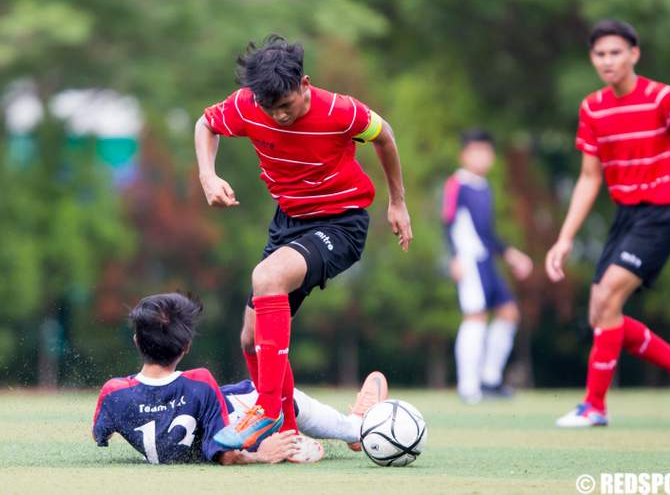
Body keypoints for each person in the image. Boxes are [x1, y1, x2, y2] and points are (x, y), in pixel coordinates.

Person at [195, 35, 411, 450]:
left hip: (342, 223)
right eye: (268, 107)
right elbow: (206, 124)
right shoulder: (245, 105)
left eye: (286, 106)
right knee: (250, 337)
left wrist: (397, 203)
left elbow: (385, 135)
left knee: (268, 276)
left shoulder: (340, 110)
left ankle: (270, 408)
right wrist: (208, 175)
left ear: (305, 84)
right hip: (288, 224)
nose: (277, 116)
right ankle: (293, 435)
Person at [545, 20, 670, 427]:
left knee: (609, 299)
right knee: (602, 310)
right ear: (592, 60)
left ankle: (595, 407)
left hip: (660, 212)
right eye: (600, 54)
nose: (608, 61)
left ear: (634, 54)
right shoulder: (592, 108)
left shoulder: (662, 98)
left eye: (615, 52)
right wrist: (564, 239)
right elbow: (588, 177)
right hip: (625, 217)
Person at [92, 293, 389, 464]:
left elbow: (101, 435)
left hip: (208, 421)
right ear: (186, 348)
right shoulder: (199, 382)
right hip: (240, 425)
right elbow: (225, 453)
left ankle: (349, 430)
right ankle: (357, 427)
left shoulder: (113, 393)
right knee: (277, 395)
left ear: (135, 340)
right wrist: (261, 454)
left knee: (246, 391)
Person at [442, 129, 533, 404]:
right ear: (464, 155)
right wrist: (454, 256)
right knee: (475, 316)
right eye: (475, 150)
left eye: (486, 151)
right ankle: (468, 387)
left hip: (487, 261)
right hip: (469, 260)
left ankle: (490, 378)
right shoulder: (457, 183)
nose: (482, 156)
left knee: (508, 313)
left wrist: (510, 254)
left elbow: (486, 231)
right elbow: (448, 222)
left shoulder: (485, 186)